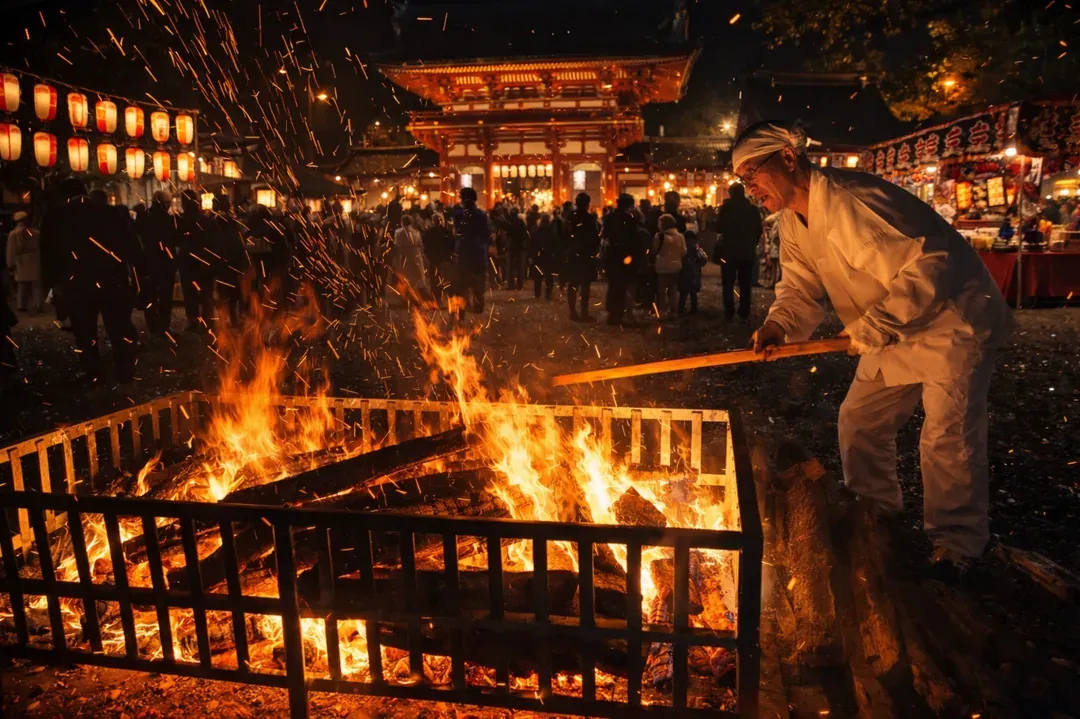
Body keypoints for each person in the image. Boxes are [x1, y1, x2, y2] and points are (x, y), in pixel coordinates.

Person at [738, 120, 1014, 580]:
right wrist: (776, 324)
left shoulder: (855, 198)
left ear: (788, 158)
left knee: (947, 436)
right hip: (886, 330)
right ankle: (876, 515)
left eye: (754, 174)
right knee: (861, 421)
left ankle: (958, 543)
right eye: (742, 179)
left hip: (950, 322)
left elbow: (932, 262)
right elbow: (800, 288)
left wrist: (877, 325)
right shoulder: (791, 221)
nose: (750, 188)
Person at [52, 179, 142, 388]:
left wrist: (57, 285)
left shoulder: (62, 218)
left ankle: (94, 374)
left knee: (85, 332)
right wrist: (139, 277)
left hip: (79, 286)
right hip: (113, 281)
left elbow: (54, 255)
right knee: (120, 329)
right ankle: (125, 373)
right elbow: (132, 247)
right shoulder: (112, 213)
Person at [714, 183, 763, 322]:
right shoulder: (752, 210)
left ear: (730, 194)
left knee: (728, 282)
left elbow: (718, 227)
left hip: (729, 250)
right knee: (745, 283)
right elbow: (758, 230)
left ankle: (729, 311)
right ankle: (744, 311)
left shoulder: (726, 209)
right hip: (747, 251)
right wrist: (752, 241)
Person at [134, 191, 178, 338]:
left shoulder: (144, 216)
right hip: (165, 262)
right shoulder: (168, 219)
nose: (169, 206)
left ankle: (153, 325)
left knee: (151, 295)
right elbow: (174, 239)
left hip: (149, 262)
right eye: (168, 203)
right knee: (165, 296)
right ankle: (163, 326)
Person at [176, 190, 215, 331]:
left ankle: (193, 321)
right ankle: (207, 320)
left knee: (190, 293)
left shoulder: (180, 220)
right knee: (205, 291)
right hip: (204, 260)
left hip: (187, 261)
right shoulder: (206, 220)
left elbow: (177, 239)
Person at [451, 187, 491, 321]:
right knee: (479, 284)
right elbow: (486, 234)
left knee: (461, 285)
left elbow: (456, 231)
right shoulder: (481, 215)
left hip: (463, 252)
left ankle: (461, 312)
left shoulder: (457, 215)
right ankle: (478, 310)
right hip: (478, 252)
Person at [603, 194, 641, 326]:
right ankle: (618, 315)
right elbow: (633, 238)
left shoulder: (610, 217)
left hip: (612, 255)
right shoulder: (629, 219)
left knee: (613, 286)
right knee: (622, 286)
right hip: (624, 257)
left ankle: (612, 314)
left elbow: (605, 235)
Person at [565, 193, 600, 322]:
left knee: (573, 284)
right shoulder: (589, 218)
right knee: (585, 285)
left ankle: (572, 311)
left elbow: (565, 235)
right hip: (585, 255)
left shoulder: (570, 217)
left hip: (573, 253)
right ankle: (584, 312)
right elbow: (594, 238)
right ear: (587, 204)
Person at [6, 212, 43, 313]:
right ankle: (38, 304)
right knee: (36, 285)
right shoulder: (36, 232)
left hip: (21, 260)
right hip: (34, 259)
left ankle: (22, 305)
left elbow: (11, 250)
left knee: (22, 285)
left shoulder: (13, 234)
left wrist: (10, 263)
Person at [652, 213, 686, 321]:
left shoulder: (659, 236)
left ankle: (662, 312)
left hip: (662, 267)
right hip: (675, 266)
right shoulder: (680, 236)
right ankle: (673, 312)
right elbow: (684, 252)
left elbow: (654, 249)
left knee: (662, 291)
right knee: (673, 289)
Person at [391, 215, 427, 304]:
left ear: (402, 222)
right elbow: (421, 246)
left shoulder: (398, 233)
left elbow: (397, 247)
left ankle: (406, 298)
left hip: (404, 258)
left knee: (405, 278)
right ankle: (415, 298)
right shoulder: (416, 233)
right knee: (415, 279)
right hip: (415, 257)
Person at [421, 213, 455, 305]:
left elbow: (424, 246)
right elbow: (452, 245)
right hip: (440, 259)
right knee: (442, 281)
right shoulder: (444, 231)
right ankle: (443, 301)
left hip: (438, 259)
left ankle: (441, 301)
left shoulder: (432, 232)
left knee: (438, 282)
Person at [528, 213, 558, 300]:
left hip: (538, 257)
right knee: (549, 277)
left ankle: (538, 293)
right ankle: (548, 294)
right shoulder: (551, 231)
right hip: (548, 256)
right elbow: (555, 244)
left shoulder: (536, 231)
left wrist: (531, 255)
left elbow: (532, 244)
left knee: (538, 277)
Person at [678, 230, 707, 315]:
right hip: (694, 274)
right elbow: (704, 259)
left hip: (684, 274)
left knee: (683, 293)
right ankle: (693, 309)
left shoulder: (683, 248)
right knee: (693, 293)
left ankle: (681, 308)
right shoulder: (696, 249)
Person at [505, 208, 529, 291]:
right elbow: (525, 234)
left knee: (510, 267)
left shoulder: (507, 222)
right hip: (520, 246)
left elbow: (505, 234)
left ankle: (511, 284)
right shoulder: (521, 222)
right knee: (520, 267)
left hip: (511, 246)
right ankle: (519, 284)